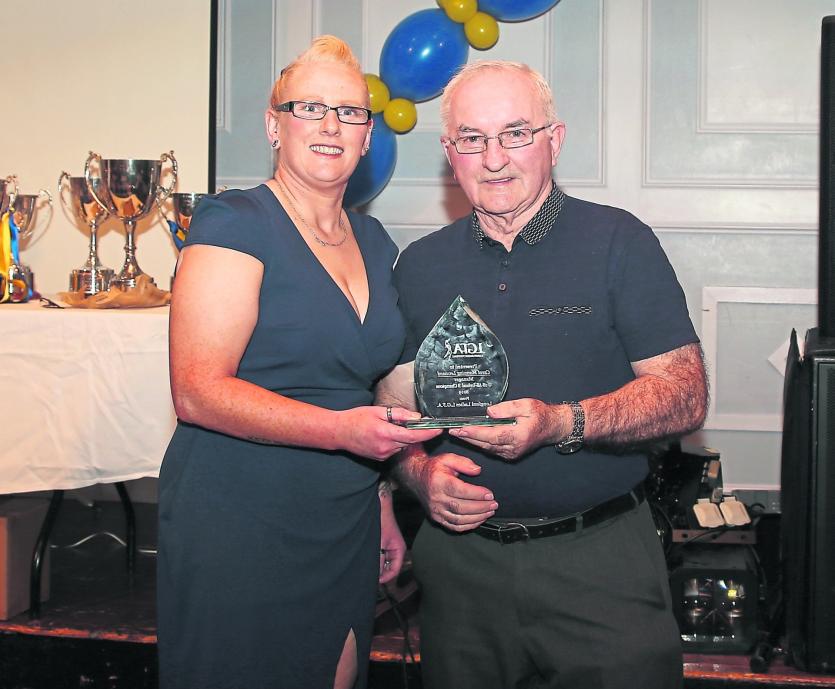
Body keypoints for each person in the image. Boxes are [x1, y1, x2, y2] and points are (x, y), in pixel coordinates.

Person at [376, 59, 708, 689]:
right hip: (461, 572)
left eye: (516, 133)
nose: (495, 158)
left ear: (554, 140)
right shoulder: (418, 267)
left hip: (601, 563)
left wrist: (559, 423)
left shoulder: (619, 243)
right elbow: (397, 412)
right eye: (472, 138)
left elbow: (684, 395)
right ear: (451, 154)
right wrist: (418, 474)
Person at [157, 36, 440, 689]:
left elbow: (367, 385)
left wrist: (381, 502)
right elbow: (197, 391)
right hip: (238, 516)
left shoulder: (373, 241)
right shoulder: (234, 221)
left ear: (368, 136)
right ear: (273, 125)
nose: (330, 125)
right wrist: (342, 430)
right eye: (308, 107)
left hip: (339, 515)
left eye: (348, 111)